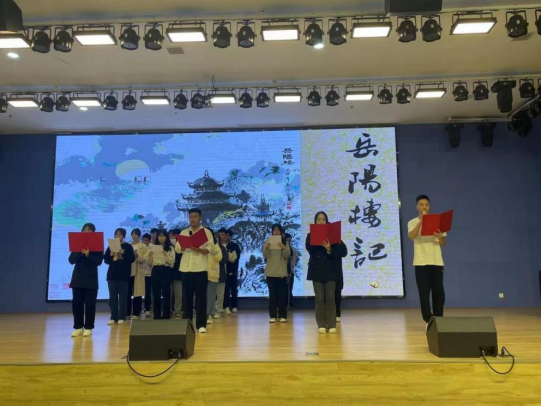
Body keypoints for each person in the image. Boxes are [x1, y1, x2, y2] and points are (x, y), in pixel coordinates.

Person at [407, 195, 447, 327]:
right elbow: (411, 236)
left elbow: (443, 243)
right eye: (421, 204)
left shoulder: (438, 221)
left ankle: (439, 320)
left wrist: (440, 237)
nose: (424, 207)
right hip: (421, 263)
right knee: (424, 293)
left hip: (437, 262)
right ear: (416, 207)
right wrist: (421, 222)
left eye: (426, 204)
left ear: (429, 206)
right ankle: (429, 320)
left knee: (439, 293)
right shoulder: (412, 222)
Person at [306, 211, 347, 334]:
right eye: (318, 219)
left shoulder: (333, 235)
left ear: (326, 221)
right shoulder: (310, 235)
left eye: (323, 219)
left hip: (330, 271)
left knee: (330, 297)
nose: (321, 221)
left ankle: (331, 324)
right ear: (315, 221)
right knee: (319, 298)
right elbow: (309, 249)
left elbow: (343, 252)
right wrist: (318, 239)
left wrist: (330, 249)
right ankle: (321, 324)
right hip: (316, 271)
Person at [175, 208, 214, 333]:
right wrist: (184, 245)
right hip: (186, 269)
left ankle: (201, 324)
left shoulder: (206, 232)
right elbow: (177, 248)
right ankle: (188, 324)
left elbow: (210, 249)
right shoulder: (184, 232)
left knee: (201, 297)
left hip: (200, 269)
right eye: (191, 217)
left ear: (200, 218)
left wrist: (199, 249)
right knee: (187, 298)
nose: (193, 219)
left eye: (195, 217)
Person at [68, 223, 104, 337]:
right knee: (77, 304)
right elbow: (71, 260)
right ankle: (78, 327)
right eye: (85, 229)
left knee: (90, 305)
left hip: (91, 280)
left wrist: (89, 255)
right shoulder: (77, 246)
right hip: (77, 279)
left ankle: (88, 327)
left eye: (90, 229)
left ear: (94, 232)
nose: (87, 231)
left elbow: (98, 262)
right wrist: (80, 252)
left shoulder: (98, 245)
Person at [104, 228, 135, 325]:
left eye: (120, 234)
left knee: (123, 297)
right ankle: (113, 317)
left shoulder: (127, 246)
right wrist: (111, 255)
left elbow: (132, 259)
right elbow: (106, 260)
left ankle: (122, 316)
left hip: (124, 276)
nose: (118, 236)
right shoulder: (111, 246)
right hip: (112, 275)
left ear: (123, 236)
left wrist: (124, 253)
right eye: (116, 234)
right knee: (112, 298)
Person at [263, 223, 291, 323]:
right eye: (274, 230)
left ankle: (282, 315)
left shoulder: (285, 242)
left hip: (281, 273)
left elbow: (287, 256)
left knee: (282, 296)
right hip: (270, 273)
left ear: (281, 232)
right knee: (272, 296)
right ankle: (273, 316)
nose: (276, 232)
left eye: (278, 230)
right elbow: (265, 256)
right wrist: (266, 247)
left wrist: (284, 248)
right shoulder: (268, 242)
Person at [148, 229, 175, 319]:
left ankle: (166, 314)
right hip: (155, 270)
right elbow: (149, 263)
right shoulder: (153, 247)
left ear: (166, 237)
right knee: (156, 294)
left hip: (166, 270)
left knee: (166, 293)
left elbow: (172, 262)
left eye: (163, 236)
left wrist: (165, 255)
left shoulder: (170, 248)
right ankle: (156, 315)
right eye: (159, 236)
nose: (161, 238)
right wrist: (150, 256)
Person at [206, 228, 227, 325]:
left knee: (215, 295)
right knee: (204, 295)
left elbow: (220, 258)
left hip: (214, 274)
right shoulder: (202, 246)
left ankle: (213, 313)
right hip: (202, 273)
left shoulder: (217, 247)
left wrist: (212, 251)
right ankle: (204, 313)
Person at [127, 228, 148, 320]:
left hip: (138, 271)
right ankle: (127, 312)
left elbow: (145, 259)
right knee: (127, 293)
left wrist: (137, 256)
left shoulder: (143, 246)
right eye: (133, 234)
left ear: (139, 236)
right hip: (129, 271)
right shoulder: (128, 246)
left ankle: (136, 312)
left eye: (136, 234)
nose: (134, 236)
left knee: (137, 293)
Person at [223, 228, 241, 314]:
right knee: (225, 289)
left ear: (230, 236)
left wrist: (227, 254)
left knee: (233, 289)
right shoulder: (221, 246)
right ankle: (226, 306)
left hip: (233, 270)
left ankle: (234, 306)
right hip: (223, 271)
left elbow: (234, 258)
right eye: (224, 235)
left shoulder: (234, 246)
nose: (226, 237)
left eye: (227, 235)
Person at [215, 228, 229, 319]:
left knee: (220, 294)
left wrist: (217, 262)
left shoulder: (222, 248)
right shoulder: (208, 249)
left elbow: (225, 259)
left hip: (221, 273)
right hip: (211, 274)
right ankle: (211, 310)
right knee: (211, 294)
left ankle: (218, 310)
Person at [169, 228, 183, 318]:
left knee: (179, 294)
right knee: (168, 293)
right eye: (170, 236)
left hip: (178, 273)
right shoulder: (167, 246)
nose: (172, 237)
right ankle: (169, 310)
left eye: (173, 235)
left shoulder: (182, 246)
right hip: (168, 273)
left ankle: (178, 310)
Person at [285, 233, 299, 311]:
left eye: (290, 240)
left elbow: (297, 258)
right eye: (287, 240)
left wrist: (293, 262)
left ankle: (290, 304)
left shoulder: (293, 249)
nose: (289, 242)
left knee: (289, 289)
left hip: (291, 272)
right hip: (282, 272)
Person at [141, 233, 153, 316]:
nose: (145, 242)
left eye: (146, 240)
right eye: (143, 240)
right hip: (140, 273)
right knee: (139, 292)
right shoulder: (140, 249)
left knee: (147, 292)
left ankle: (148, 308)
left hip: (148, 274)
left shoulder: (151, 250)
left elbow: (150, 262)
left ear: (149, 241)